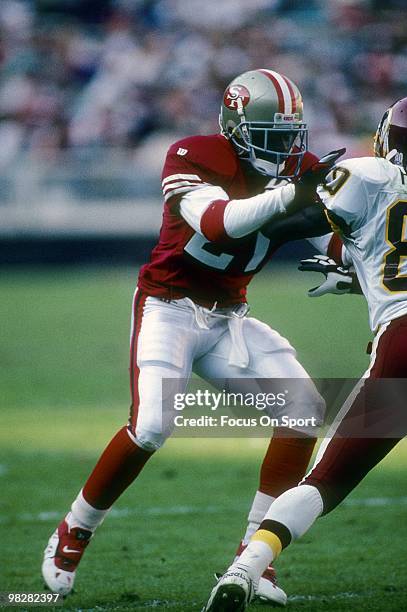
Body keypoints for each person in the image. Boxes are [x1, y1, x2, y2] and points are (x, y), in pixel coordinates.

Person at [41, 69, 341, 604]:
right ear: (236, 128)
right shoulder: (194, 155)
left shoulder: (300, 173)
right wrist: (292, 197)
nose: (287, 150)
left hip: (231, 318)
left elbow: (333, 236)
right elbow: (220, 224)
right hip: (169, 307)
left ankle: (254, 559)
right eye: (271, 137)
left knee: (302, 413)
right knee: (153, 425)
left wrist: (351, 265)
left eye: (292, 137)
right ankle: (75, 529)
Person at [204, 94, 407, 612]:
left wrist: (340, 258)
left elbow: (308, 223)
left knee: (326, 480)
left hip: (406, 340)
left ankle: (245, 568)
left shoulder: (368, 173)